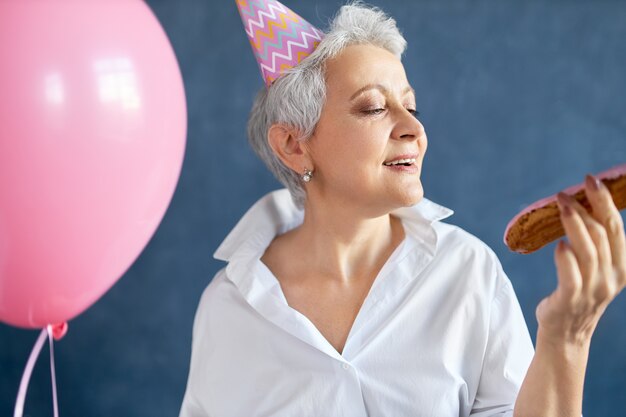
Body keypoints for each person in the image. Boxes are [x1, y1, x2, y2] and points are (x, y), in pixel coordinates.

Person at [179, 1, 626, 416]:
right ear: (295, 146)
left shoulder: (467, 271)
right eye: (373, 108)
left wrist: (567, 337)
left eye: (410, 105)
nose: (413, 127)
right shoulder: (229, 304)